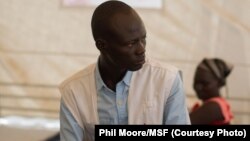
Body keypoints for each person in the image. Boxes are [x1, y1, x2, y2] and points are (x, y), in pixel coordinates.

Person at [59, 1, 190, 140]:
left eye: (143, 39)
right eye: (131, 43)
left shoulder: (167, 80)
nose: (141, 49)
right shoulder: (73, 91)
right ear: (102, 46)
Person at [190, 58, 234, 125]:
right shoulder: (217, 105)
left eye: (204, 83)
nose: (198, 87)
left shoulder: (214, 106)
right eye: (196, 82)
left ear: (219, 83)